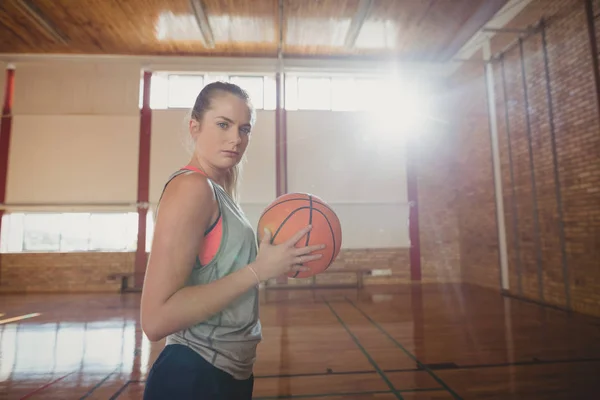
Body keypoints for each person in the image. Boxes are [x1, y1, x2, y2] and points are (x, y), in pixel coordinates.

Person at [140, 81, 325, 400]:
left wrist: (274, 262)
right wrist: (257, 271)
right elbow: (155, 320)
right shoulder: (192, 189)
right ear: (194, 126)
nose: (236, 138)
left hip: (229, 372)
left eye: (245, 128)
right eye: (223, 124)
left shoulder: (219, 191)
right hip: (192, 375)